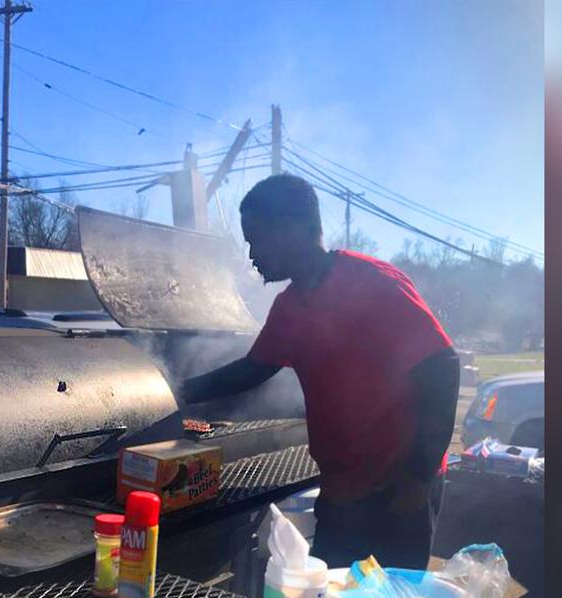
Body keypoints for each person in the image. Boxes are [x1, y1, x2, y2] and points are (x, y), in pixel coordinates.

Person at [181, 174, 459, 572]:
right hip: (343, 490)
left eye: (255, 239)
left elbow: (442, 369)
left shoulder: (371, 282)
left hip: (399, 487)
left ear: (291, 229)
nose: (251, 254)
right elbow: (251, 371)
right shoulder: (289, 307)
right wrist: (177, 389)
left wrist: (417, 478)